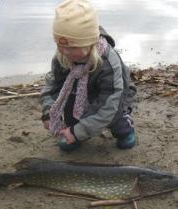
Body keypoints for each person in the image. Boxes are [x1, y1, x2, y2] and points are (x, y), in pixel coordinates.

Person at [39, 0, 136, 152]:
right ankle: (76, 131)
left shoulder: (109, 62)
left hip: (114, 96)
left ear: (90, 42)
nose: (65, 52)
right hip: (79, 93)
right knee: (73, 119)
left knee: (115, 117)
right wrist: (49, 113)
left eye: (73, 47)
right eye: (60, 45)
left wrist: (79, 131)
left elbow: (110, 104)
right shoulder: (62, 56)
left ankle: (126, 129)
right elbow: (53, 86)